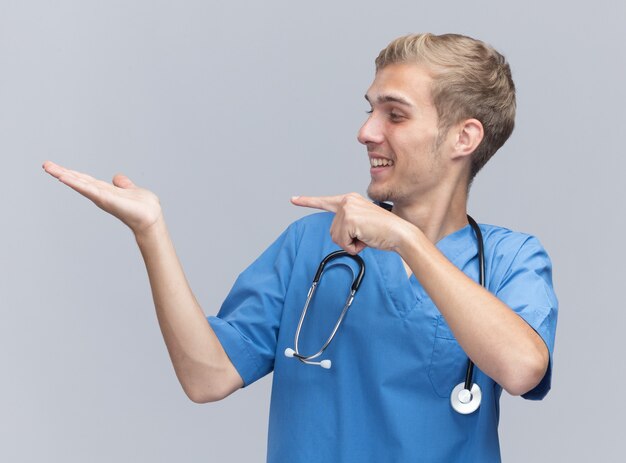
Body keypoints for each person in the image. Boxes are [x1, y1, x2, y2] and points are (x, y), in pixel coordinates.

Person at [43, 33, 557, 462]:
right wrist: (150, 231)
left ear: (463, 138)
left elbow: (521, 368)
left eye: (394, 115)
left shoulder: (511, 260)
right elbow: (208, 377)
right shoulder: (314, 244)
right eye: (370, 109)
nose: (365, 131)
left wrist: (406, 240)